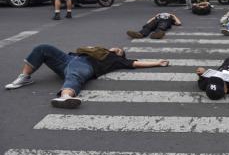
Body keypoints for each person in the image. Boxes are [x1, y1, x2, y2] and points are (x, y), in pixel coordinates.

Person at [5, 44, 169, 108]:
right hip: (68, 58)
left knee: (74, 75)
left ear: (121, 55)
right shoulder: (98, 49)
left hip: (86, 66)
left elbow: (136, 63)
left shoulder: (116, 60)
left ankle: (65, 96)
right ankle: (24, 77)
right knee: (43, 48)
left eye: (119, 50)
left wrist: (157, 62)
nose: (116, 48)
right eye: (116, 47)